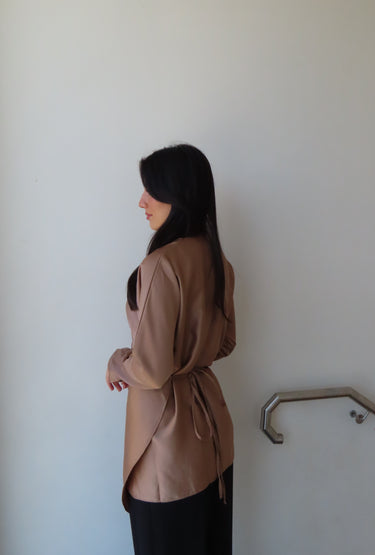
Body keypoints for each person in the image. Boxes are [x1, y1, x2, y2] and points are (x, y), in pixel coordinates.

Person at [106, 143, 236, 555]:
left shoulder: (161, 264)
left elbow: (150, 370)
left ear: (177, 194)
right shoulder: (217, 260)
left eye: (151, 190)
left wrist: (117, 362)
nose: (141, 201)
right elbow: (227, 342)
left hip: (166, 441)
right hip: (212, 434)